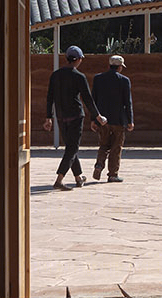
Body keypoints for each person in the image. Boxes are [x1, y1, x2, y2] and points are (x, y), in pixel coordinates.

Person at [41, 45, 105, 190]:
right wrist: (97, 116)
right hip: (76, 116)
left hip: (61, 117)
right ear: (78, 59)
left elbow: (49, 97)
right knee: (72, 148)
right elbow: (87, 99)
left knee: (71, 148)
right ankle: (59, 179)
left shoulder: (55, 75)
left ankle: (78, 178)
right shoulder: (79, 76)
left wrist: (48, 117)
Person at [91, 55, 134, 182]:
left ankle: (99, 165)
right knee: (116, 147)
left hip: (102, 120)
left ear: (109, 65)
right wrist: (130, 120)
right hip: (119, 120)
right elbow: (128, 102)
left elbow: (93, 100)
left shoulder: (98, 79)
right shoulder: (124, 80)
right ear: (120, 67)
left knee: (103, 145)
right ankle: (113, 174)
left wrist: (93, 119)